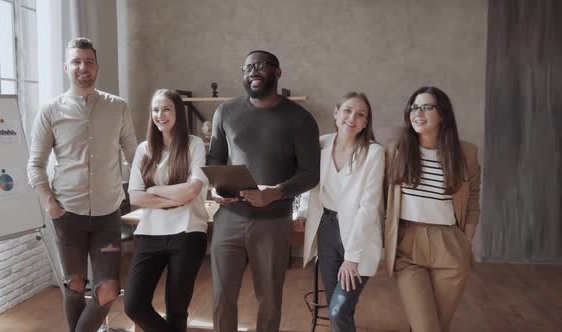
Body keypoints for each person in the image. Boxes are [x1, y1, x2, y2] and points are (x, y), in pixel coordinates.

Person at [27, 37, 137, 332]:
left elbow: (133, 156)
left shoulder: (118, 107)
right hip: (67, 214)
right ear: (66, 67)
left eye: (88, 61)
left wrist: (149, 187)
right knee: (74, 285)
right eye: (76, 61)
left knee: (109, 288)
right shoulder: (50, 110)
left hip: (108, 215)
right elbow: (35, 164)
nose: (83, 67)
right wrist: (50, 203)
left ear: (96, 66)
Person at [206, 50, 320, 332]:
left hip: (273, 221)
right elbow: (214, 159)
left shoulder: (300, 119)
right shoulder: (226, 111)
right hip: (228, 217)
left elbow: (310, 174)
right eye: (247, 67)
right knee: (222, 296)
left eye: (261, 66)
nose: (253, 71)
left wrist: (276, 193)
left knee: (269, 298)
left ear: (278, 72)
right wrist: (213, 187)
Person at [385, 86, 481, 332]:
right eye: (414, 107)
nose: (419, 112)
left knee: (439, 325)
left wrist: (465, 242)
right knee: (426, 327)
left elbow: (472, 202)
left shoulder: (465, 153)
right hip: (408, 244)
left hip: (449, 244)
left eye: (427, 107)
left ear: (442, 115)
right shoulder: (396, 150)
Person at [293, 92, 385, 332]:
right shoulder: (321, 143)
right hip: (326, 229)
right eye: (347, 110)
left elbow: (369, 207)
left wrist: (352, 257)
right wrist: (301, 213)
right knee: (340, 307)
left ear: (366, 122)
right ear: (336, 113)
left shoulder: (374, 153)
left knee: (339, 309)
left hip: (359, 234)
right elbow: (309, 183)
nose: (352, 117)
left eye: (360, 114)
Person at [123, 89, 209, 332]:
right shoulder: (144, 149)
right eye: (155, 110)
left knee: (177, 309)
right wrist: (174, 198)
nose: (160, 115)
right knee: (134, 305)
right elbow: (135, 196)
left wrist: (153, 190)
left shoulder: (194, 145)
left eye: (166, 109)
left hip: (188, 232)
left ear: (178, 112)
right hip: (150, 232)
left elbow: (192, 191)